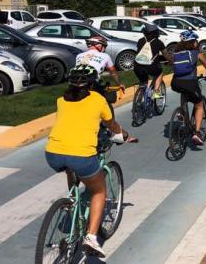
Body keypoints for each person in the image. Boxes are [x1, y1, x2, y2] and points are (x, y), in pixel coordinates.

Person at [44, 65, 136, 258]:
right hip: (81, 155)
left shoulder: (61, 100)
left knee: (71, 168)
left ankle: (71, 200)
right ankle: (91, 238)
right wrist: (122, 136)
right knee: (99, 191)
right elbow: (111, 125)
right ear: (93, 82)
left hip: (52, 153)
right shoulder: (98, 99)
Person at [170, 31, 206, 146]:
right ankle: (197, 133)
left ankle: (182, 113)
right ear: (193, 42)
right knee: (199, 104)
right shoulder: (196, 52)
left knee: (183, 92)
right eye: (196, 41)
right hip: (190, 82)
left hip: (175, 82)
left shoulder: (176, 53)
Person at [133, 24, 169, 102]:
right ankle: (156, 92)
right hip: (150, 66)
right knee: (159, 72)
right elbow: (165, 54)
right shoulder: (159, 42)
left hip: (137, 66)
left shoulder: (140, 40)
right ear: (156, 33)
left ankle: (138, 102)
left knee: (143, 81)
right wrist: (171, 61)